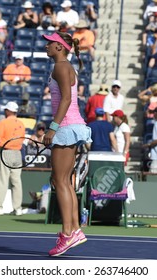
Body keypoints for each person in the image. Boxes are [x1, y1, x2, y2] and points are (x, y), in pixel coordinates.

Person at [41, 31, 92, 256]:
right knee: (65, 181)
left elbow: (67, 99)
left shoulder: (60, 67)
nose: (46, 46)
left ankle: (68, 233)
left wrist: (53, 127)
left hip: (65, 127)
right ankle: (75, 230)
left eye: (50, 43)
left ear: (60, 47)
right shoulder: (65, 66)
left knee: (60, 181)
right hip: (72, 125)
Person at [0, 102, 25, 216]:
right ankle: (18, 208)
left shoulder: (3, 122)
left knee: (2, 180)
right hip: (17, 153)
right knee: (16, 181)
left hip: (5, 152)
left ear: (8, 111)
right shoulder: (21, 123)